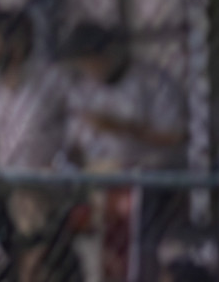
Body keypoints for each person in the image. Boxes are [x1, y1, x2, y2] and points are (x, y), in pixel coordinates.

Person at [0, 9, 67, 236]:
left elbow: (81, 133)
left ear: (15, 43)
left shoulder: (52, 82)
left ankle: (30, 262)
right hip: (2, 186)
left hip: (47, 181)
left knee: (25, 199)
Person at [61, 23, 185, 172]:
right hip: (101, 175)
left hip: (152, 174)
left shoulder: (151, 80)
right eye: (82, 63)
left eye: (92, 59)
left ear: (109, 52)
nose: (88, 67)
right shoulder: (82, 90)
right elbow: (75, 144)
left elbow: (176, 137)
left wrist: (122, 128)